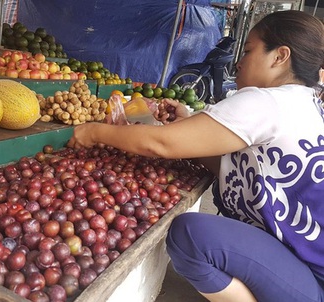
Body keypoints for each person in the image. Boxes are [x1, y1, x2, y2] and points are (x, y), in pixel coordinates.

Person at [67, 10, 324, 302]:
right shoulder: (304, 104)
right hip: (300, 256)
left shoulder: (269, 102)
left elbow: (160, 144)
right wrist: (188, 121)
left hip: (312, 274)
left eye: (249, 51)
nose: (239, 62)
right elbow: (232, 165)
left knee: (191, 235)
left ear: (279, 57)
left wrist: (95, 132)